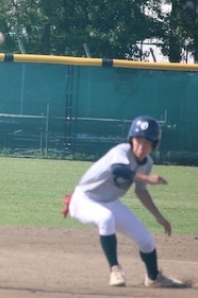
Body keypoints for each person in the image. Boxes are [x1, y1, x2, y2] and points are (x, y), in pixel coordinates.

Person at [64, 116, 190, 288]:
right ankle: (115, 270)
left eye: (147, 143)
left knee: (145, 240)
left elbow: (141, 190)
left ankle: (153, 277)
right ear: (131, 140)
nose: (141, 146)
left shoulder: (147, 163)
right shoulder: (122, 151)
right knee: (106, 218)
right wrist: (148, 178)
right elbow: (117, 169)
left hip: (111, 202)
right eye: (138, 140)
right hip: (84, 199)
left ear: (154, 145)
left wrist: (158, 216)